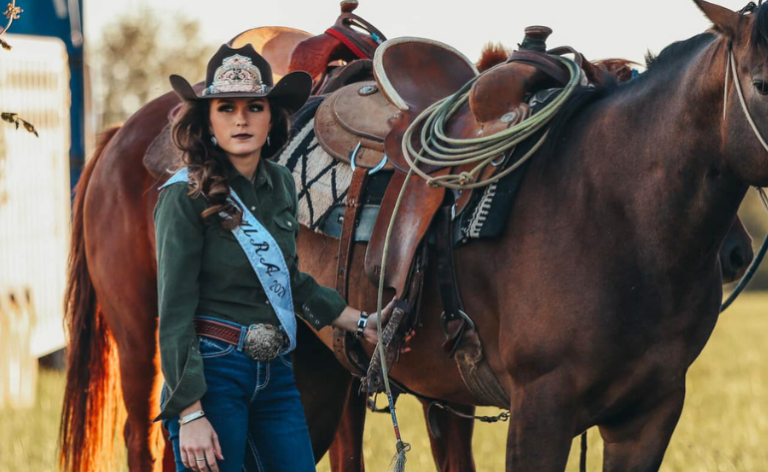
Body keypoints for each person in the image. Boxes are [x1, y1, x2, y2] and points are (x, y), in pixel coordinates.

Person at [154, 43, 395, 472]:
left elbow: (291, 280)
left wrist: (361, 322)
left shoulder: (282, 182)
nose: (241, 119)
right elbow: (174, 312)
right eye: (225, 108)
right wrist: (189, 412)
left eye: (254, 107)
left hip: (278, 373)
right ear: (208, 121)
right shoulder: (183, 195)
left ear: (273, 117)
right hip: (213, 373)